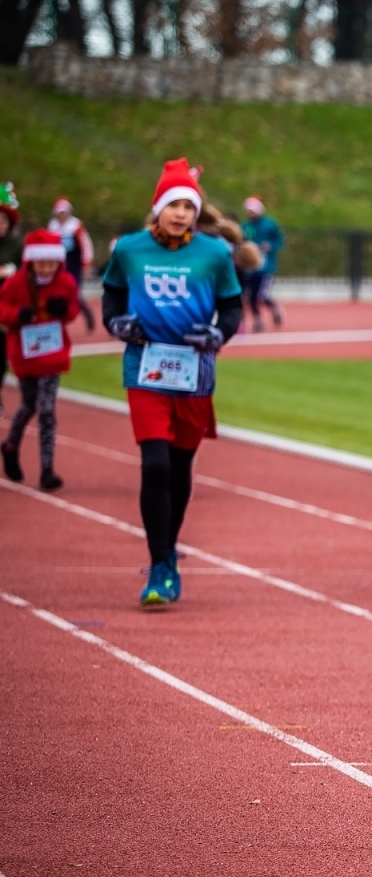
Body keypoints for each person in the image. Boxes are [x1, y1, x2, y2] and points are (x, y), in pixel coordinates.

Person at [101, 159, 244, 606]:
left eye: (188, 205)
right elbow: (111, 296)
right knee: (156, 464)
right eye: (173, 204)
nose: (180, 213)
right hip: (145, 366)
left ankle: (169, 551)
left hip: (194, 371)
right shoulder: (129, 249)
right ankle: (159, 564)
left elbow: (233, 307)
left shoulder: (215, 254)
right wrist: (116, 323)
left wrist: (219, 334)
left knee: (180, 469)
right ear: (157, 207)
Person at [0, 230, 80, 490]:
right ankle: (11, 445)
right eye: (41, 262)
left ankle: (47, 469)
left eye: (51, 262)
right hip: (25, 354)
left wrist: (64, 310)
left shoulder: (65, 282)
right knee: (28, 405)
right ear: (31, 262)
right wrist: (17, 314)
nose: (47, 267)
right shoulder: (16, 283)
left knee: (46, 409)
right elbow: (2, 309)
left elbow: (72, 309)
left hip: (52, 355)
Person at [48, 198, 96, 332]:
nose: (62, 215)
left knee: (74, 292)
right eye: (60, 213)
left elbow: (86, 245)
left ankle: (88, 317)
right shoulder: (53, 226)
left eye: (64, 212)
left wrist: (86, 263)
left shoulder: (75, 225)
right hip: (59, 264)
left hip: (74, 262)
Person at [241, 197, 284, 331]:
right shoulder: (246, 226)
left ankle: (275, 309)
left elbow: (279, 240)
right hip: (250, 268)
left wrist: (270, 246)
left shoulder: (270, 224)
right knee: (250, 296)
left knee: (262, 295)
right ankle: (257, 320)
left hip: (266, 267)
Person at [0, 183, 22, 415]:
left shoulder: (16, 246)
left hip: (5, 305)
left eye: (3, 221)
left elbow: (27, 270)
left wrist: (9, 269)